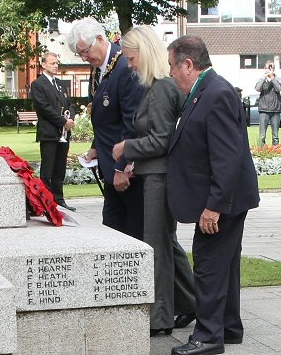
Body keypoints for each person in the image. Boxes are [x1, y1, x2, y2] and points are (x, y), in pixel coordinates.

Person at [166, 35, 260, 355]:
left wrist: (214, 206)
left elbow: (227, 157)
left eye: (172, 67)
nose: (170, 74)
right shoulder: (205, 91)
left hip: (222, 202)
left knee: (208, 265)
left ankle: (207, 337)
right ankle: (229, 328)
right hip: (225, 198)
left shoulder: (215, 93)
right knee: (226, 265)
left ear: (188, 65)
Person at [111, 26, 196, 337]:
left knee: (156, 246)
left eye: (132, 58)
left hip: (159, 178)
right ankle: (192, 301)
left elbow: (160, 140)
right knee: (167, 244)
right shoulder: (158, 86)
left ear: (144, 54)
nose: (129, 65)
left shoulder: (160, 88)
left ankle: (160, 317)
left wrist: (126, 148)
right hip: (155, 175)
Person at [66, 17, 145, 240]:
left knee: (132, 235)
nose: (84, 57)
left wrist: (122, 167)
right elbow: (104, 117)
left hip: (128, 173)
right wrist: (96, 148)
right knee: (111, 231)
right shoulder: (100, 68)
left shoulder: (125, 66)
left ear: (100, 39)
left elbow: (131, 122)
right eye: (79, 54)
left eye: (85, 51)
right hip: (110, 166)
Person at [31, 52, 76, 211]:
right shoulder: (38, 84)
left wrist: (70, 117)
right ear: (43, 65)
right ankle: (46, 202)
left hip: (63, 133)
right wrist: (63, 121)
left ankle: (59, 199)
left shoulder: (61, 84)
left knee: (60, 169)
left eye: (57, 63)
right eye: (52, 63)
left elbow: (70, 104)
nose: (56, 66)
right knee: (48, 169)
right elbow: (44, 108)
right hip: (49, 133)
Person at [255, 61, 281, 146]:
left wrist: (272, 77)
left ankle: (275, 150)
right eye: (268, 68)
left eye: (272, 68)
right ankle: (262, 150)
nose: (270, 69)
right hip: (264, 110)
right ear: (265, 69)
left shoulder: (278, 79)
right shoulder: (261, 79)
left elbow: (278, 88)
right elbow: (257, 88)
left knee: (275, 135)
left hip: (275, 110)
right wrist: (264, 78)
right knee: (262, 135)